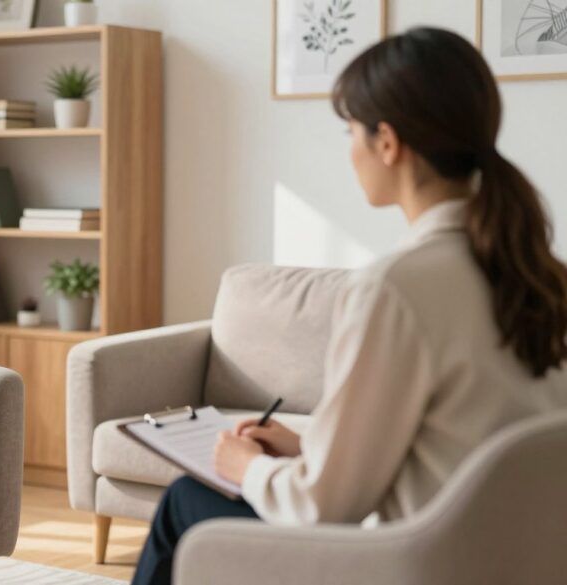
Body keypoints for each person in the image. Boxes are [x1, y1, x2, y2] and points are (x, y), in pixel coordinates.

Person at [131, 27, 567, 585]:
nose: (351, 149)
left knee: (185, 503)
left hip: (409, 564)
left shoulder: (397, 288)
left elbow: (324, 506)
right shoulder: (535, 273)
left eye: (351, 130)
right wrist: (303, 442)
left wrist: (252, 467)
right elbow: (449, 437)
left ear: (387, 142)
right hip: (509, 558)